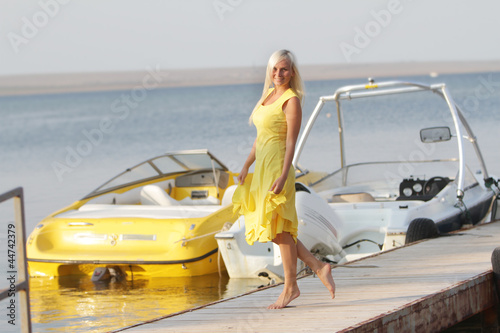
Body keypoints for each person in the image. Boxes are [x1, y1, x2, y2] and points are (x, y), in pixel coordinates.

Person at [232, 49, 335, 309]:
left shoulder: (291, 100)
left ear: (292, 72)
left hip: (279, 165)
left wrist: (282, 173)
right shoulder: (268, 95)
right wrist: (246, 165)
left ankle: (291, 287)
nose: (279, 74)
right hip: (263, 168)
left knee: (279, 228)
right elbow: (260, 138)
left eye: (284, 69)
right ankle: (317, 267)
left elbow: (291, 141)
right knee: (276, 230)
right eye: (275, 69)